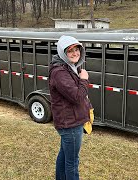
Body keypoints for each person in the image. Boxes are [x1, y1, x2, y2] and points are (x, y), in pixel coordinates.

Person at [49, 35, 91, 180]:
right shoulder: (59, 72)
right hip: (70, 124)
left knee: (65, 155)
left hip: (70, 121)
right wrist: (84, 80)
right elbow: (77, 96)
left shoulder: (70, 67)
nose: (75, 53)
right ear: (62, 53)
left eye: (77, 49)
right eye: (70, 51)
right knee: (72, 162)